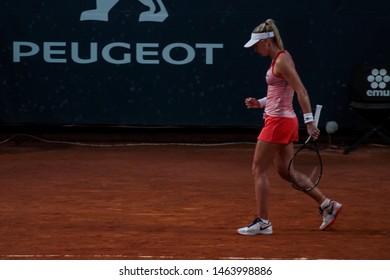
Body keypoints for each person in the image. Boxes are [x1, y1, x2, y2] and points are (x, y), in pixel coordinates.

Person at [237, 19, 342, 235]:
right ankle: (327, 205)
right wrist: (260, 103)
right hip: (281, 120)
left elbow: (301, 91)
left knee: (258, 169)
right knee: (286, 172)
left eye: (256, 45)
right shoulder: (280, 58)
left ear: (267, 41)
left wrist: (309, 121)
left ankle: (263, 222)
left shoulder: (282, 61)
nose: (255, 50)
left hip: (279, 123)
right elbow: (280, 93)